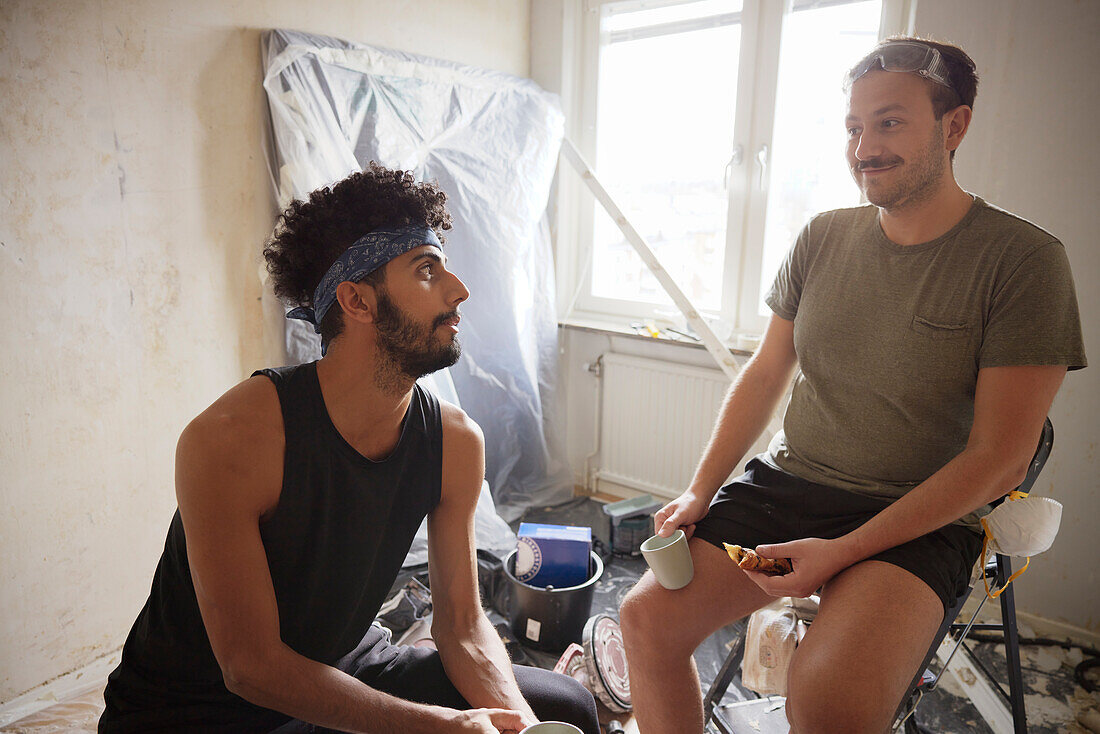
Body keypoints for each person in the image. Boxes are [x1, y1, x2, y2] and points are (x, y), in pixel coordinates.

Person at [619, 37, 1086, 734]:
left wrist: (840, 555)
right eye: (853, 126)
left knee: (829, 701)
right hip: (793, 487)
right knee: (645, 621)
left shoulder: (1023, 260)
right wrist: (701, 487)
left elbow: (1002, 458)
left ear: (953, 126)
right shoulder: (822, 238)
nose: (865, 146)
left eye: (890, 122)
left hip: (918, 516)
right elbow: (767, 372)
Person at [100, 164, 599, 734]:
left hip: (350, 667)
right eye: (427, 270)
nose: (459, 290)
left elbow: (461, 625)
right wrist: (438, 726)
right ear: (357, 301)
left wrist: (525, 728)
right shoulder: (232, 439)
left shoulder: (455, 443)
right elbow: (251, 668)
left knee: (566, 708)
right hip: (200, 713)